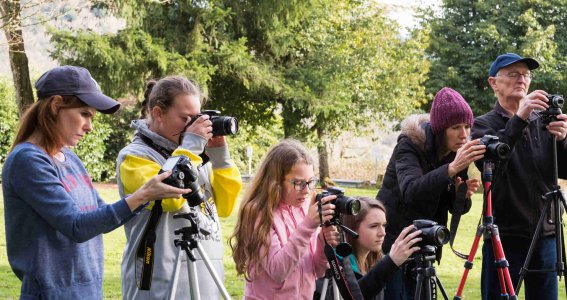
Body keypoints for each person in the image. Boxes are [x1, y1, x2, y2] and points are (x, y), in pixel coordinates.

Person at [1, 66, 190, 300]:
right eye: (84, 114)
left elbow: (101, 216)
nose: (90, 127)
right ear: (55, 105)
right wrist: (142, 195)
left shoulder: (69, 157)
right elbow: (76, 226)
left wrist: (147, 194)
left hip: (88, 292)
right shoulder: (28, 160)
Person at [116, 75, 242, 299]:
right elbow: (170, 197)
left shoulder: (192, 156)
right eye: (185, 118)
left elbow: (224, 207)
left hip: (206, 279)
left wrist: (220, 157)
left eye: (196, 118)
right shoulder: (134, 157)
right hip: (160, 283)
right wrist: (191, 145)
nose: (192, 126)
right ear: (158, 113)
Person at [472, 53, 567, 300]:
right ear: (494, 83)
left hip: (545, 234)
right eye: (513, 74)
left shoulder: (544, 122)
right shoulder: (482, 126)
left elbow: (564, 170)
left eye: (526, 75)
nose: (521, 80)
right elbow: (490, 165)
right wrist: (519, 119)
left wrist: (563, 140)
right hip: (504, 235)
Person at [377, 87, 486, 299]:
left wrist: (460, 195)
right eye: (456, 127)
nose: (464, 134)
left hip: (427, 243)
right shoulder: (409, 144)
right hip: (394, 241)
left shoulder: (456, 153)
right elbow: (411, 191)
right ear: (440, 129)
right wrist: (451, 169)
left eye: (467, 126)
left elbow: (453, 206)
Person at [229, 139, 340, 299]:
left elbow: (317, 270)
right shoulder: (259, 213)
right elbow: (278, 271)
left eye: (310, 182)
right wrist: (308, 226)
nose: (307, 190)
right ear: (275, 182)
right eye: (298, 183)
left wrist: (323, 241)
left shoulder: (304, 208)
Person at [314, 197, 422, 300]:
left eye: (383, 225)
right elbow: (350, 295)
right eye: (374, 226)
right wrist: (390, 263)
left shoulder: (376, 261)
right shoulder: (332, 263)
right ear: (352, 228)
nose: (382, 233)